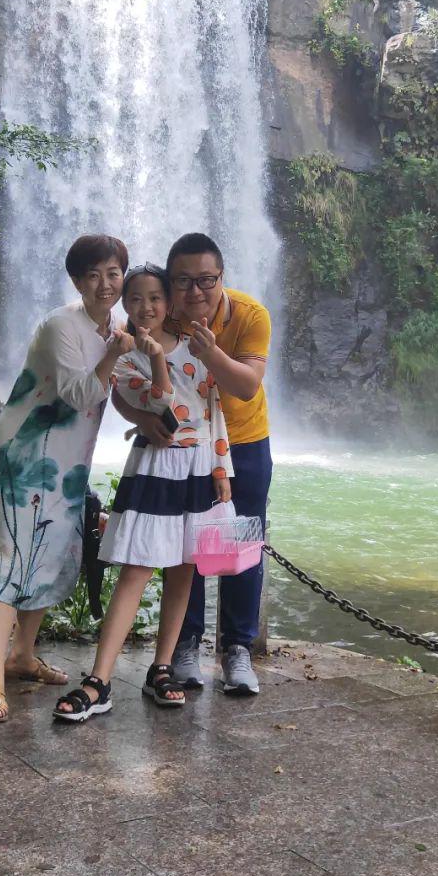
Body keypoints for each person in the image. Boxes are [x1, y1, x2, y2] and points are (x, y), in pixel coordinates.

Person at [53, 263, 234, 723]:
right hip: (155, 469)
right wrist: (155, 358)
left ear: (169, 302)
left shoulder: (196, 350)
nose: (146, 307)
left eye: (155, 298)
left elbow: (213, 413)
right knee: (136, 571)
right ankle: (100, 680)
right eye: (135, 299)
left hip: (197, 469)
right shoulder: (124, 357)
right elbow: (159, 405)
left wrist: (221, 468)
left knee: (184, 571)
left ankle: (161, 669)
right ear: (124, 305)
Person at [0, 235, 133, 723]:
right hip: (26, 454)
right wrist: (116, 352)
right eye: (93, 275)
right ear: (76, 281)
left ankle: (23, 656)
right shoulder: (61, 326)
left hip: (68, 461)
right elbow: (80, 395)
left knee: (48, 552)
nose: (105, 284)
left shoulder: (115, 328)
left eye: (113, 273)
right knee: (10, 556)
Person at [115, 233, 271, 697]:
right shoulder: (163, 317)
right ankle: (185, 644)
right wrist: (142, 419)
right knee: (186, 546)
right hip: (184, 450)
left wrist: (211, 352)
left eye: (207, 280)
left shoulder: (248, 314)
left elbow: (246, 386)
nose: (196, 291)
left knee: (240, 542)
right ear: (170, 283)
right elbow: (125, 383)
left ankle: (237, 648)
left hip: (243, 442)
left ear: (221, 277)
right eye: (183, 281)